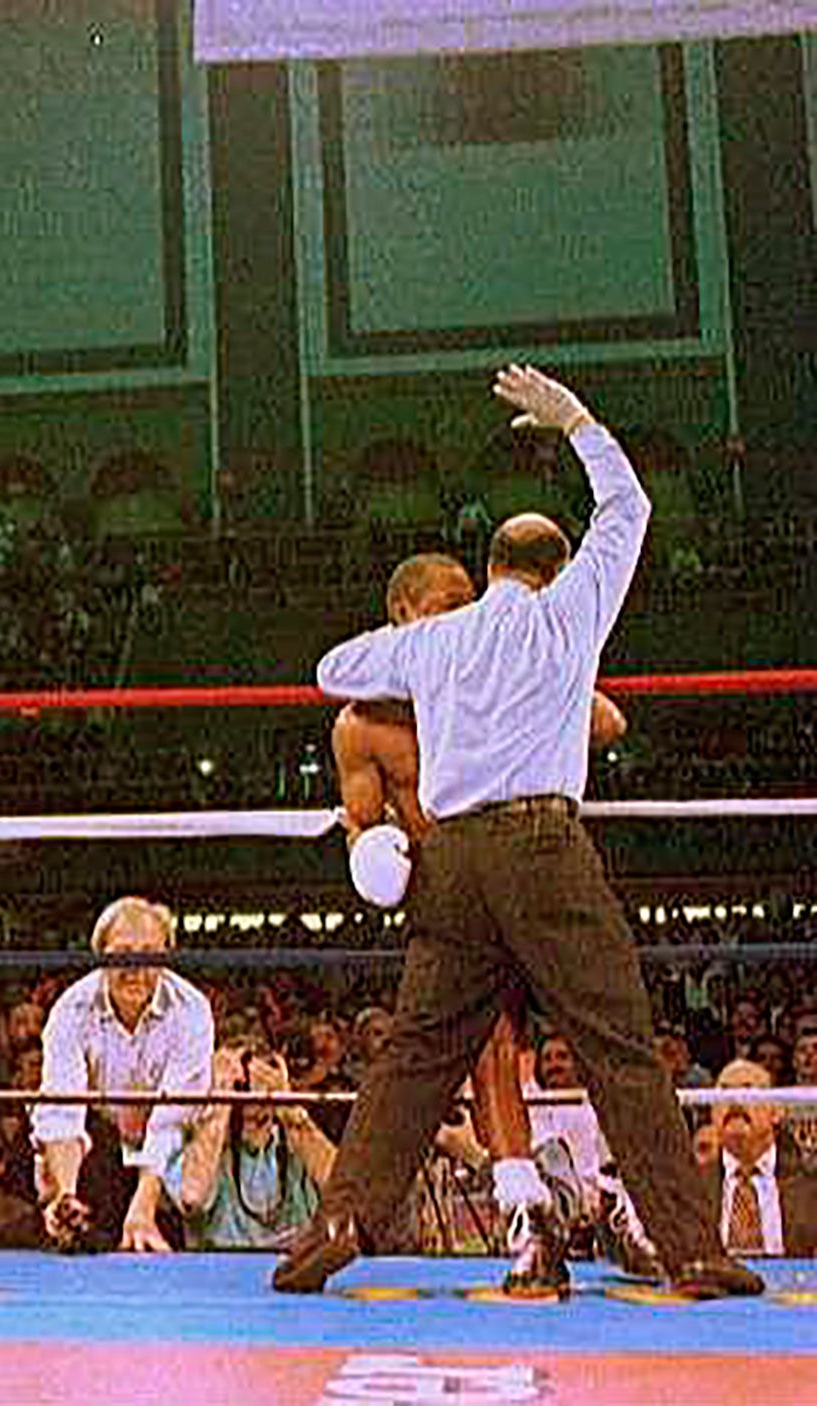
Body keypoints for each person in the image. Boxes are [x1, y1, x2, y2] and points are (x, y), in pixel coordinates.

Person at [275, 365, 761, 1300]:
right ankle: (693, 1249)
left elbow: (334, 667)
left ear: (491, 569)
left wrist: (420, 666)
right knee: (618, 1041)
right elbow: (629, 508)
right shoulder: (571, 612)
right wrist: (573, 418)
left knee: (419, 1049)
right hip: (542, 848)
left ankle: (338, 1221)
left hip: (453, 861)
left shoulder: (438, 640)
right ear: (554, 566)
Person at [331, 549, 629, 1294]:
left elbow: (606, 721)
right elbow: (361, 825)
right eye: (444, 605)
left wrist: (542, 692)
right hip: (454, 895)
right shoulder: (362, 723)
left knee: (605, 1034)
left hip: (533, 873)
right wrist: (373, 853)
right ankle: (525, 1212)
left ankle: (619, 1203)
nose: (465, 614)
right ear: (400, 617)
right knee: (491, 1046)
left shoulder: (493, 663)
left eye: (470, 600)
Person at [31, 897, 213, 1252]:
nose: (135, 968)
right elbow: (60, 1109)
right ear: (101, 956)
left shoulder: (192, 1009)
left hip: (169, 1148)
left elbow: (173, 1118)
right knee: (70, 1223)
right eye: (123, 953)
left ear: (165, 956)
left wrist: (144, 1206)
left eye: (148, 954)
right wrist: (66, 1193)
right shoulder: (70, 1009)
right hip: (100, 1140)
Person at [177, 1039, 334, 1250]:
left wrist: (288, 1106)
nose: (252, 1091)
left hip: (294, 1266)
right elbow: (192, 1196)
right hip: (221, 1272)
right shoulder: (201, 1141)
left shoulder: (298, 1139)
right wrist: (220, 1099)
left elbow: (343, 1189)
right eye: (244, 1084)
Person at [707, 1060, 817, 1256]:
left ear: (776, 1111)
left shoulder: (810, 1182)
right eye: (724, 1093)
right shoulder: (690, 1184)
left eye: (748, 1091)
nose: (735, 1101)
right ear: (712, 1111)